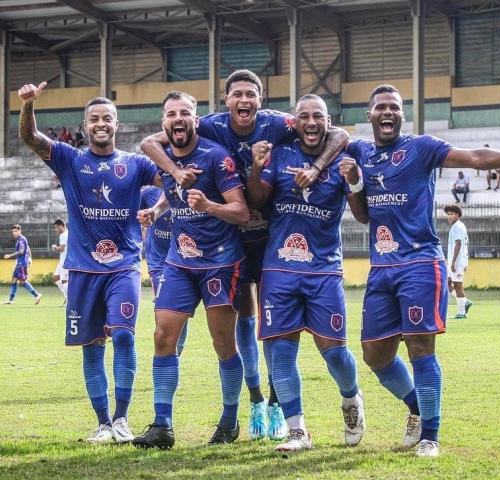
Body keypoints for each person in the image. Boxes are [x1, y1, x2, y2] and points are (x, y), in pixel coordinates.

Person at [343, 84, 500, 458]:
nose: (387, 112)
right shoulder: (360, 153)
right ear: (369, 115)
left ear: (402, 114)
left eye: (394, 107)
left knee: (419, 348)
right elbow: (363, 215)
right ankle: (416, 406)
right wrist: (354, 182)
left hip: (420, 262)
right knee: (374, 355)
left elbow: (475, 157)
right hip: (381, 266)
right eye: (380, 107)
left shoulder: (421, 148)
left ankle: (430, 434)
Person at [140, 69, 349, 441]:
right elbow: (154, 142)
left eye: (250, 94)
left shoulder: (277, 123)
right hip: (231, 238)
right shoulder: (209, 127)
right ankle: (252, 401)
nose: (244, 101)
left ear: (260, 99)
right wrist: (171, 177)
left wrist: (317, 168)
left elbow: (337, 133)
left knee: (273, 330)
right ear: (225, 100)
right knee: (244, 324)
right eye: (237, 94)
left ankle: (272, 403)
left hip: (270, 239)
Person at [18, 80, 160, 444]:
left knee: (125, 337)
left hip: (124, 266)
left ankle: (122, 419)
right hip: (82, 269)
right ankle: (102, 423)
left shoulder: (136, 164)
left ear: (116, 124)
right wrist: (28, 104)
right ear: (85, 126)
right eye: (94, 118)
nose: (101, 123)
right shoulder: (70, 159)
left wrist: (159, 207)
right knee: (92, 345)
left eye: (107, 118)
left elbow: (176, 179)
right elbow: (31, 137)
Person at [245, 95, 365, 452]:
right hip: (278, 268)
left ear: (328, 121)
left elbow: (360, 213)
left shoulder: (343, 158)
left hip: (323, 270)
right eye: (304, 117)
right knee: (281, 354)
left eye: (318, 116)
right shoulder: (280, 154)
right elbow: (255, 199)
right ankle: (297, 430)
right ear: (294, 123)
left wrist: (355, 181)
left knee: (335, 354)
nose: (311, 123)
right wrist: (255, 168)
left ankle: (351, 399)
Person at [131, 91, 250, 449]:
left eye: (185, 112)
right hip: (180, 262)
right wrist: (158, 210)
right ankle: (162, 425)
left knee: (222, 343)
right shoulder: (167, 159)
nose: (178, 118)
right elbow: (173, 187)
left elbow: (242, 212)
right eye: (171, 114)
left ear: (195, 120)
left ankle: (229, 422)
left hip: (221, 263)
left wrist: (210, 205)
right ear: (164, 123)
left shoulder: (217, 158)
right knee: (163, 337)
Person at [138, 186, 188, 355]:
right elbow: (132, 215)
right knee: (166, 308)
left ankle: (175, 356)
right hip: (158, 261)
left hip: (181, 258)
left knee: (180, 312)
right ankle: (168, 356)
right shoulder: (147, 194)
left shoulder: (189, 191)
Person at [444, 205, 472, 319]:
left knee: (457, 285)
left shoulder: (458, 227)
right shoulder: (457, 226)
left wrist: (454, 262)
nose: (449, 216)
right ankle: (465, 302)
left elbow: (459, 243)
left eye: (452, 214)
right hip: (455, 261)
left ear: (458, 215)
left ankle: (462, 312)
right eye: (448, 214)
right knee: (447, 283)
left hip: (456, 261)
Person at [3, 224, 42, 305]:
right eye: (13, 232)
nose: (14, 233)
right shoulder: (20, 239)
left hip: (22, 264)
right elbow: (28, 248)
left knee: (22, 282)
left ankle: (37, 295)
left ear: (20, 231)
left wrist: (10, 255)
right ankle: (11, 300)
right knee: (14, 280)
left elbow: (21, 251)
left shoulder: (21, 239)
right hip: (19, 263)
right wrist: (30, 258)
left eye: (16, 231)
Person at [51, 219, 69, 304]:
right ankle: (67, 297)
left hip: (65, 262)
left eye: (56, 227)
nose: (56, 230)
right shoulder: (64, 234)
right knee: (55, 278)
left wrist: (55, 247)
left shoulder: (64, 235)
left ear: (61, 226)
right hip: (62, 261)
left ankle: (69, 300)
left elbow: (61, 249)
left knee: (64, 281)